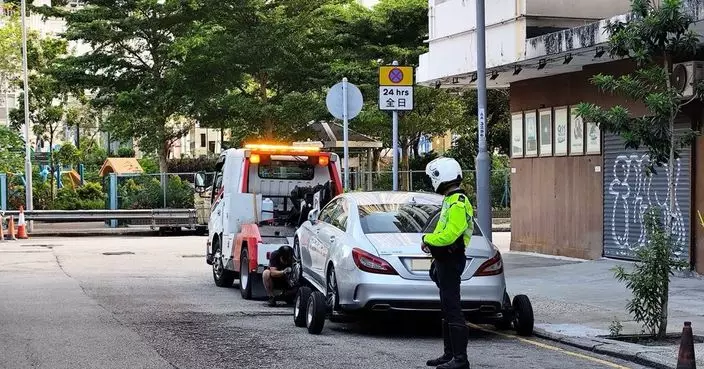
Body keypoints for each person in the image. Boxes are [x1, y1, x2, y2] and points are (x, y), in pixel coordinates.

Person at [421, 157, 473, 369]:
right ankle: (449, 355)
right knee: (446, 307)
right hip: (444, 259)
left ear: (441, 176)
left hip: (452, 259)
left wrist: (427, 239)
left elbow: (451, 234)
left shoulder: (458, 202)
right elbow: (442, 230)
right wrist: (431, 243)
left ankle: (460, 360)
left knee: (453, 308)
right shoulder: (450, 200)